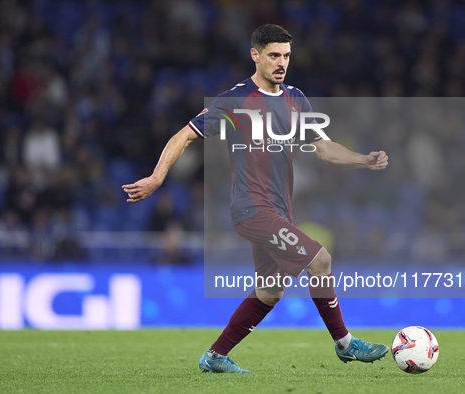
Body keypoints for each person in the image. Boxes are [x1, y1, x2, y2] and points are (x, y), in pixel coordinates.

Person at [123, 24, 389, 374]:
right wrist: (158, 177)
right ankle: (345, 343)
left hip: (279, 210)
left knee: (270, 291)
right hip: (251, 208)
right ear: (256, 55)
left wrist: (362, 159)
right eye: (274, 55)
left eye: (287, 56)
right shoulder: (235, 100)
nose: (282, 63)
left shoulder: (296, 98)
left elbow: (323, 148)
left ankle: (215, 357)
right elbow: (184, 135)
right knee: (320, 260)